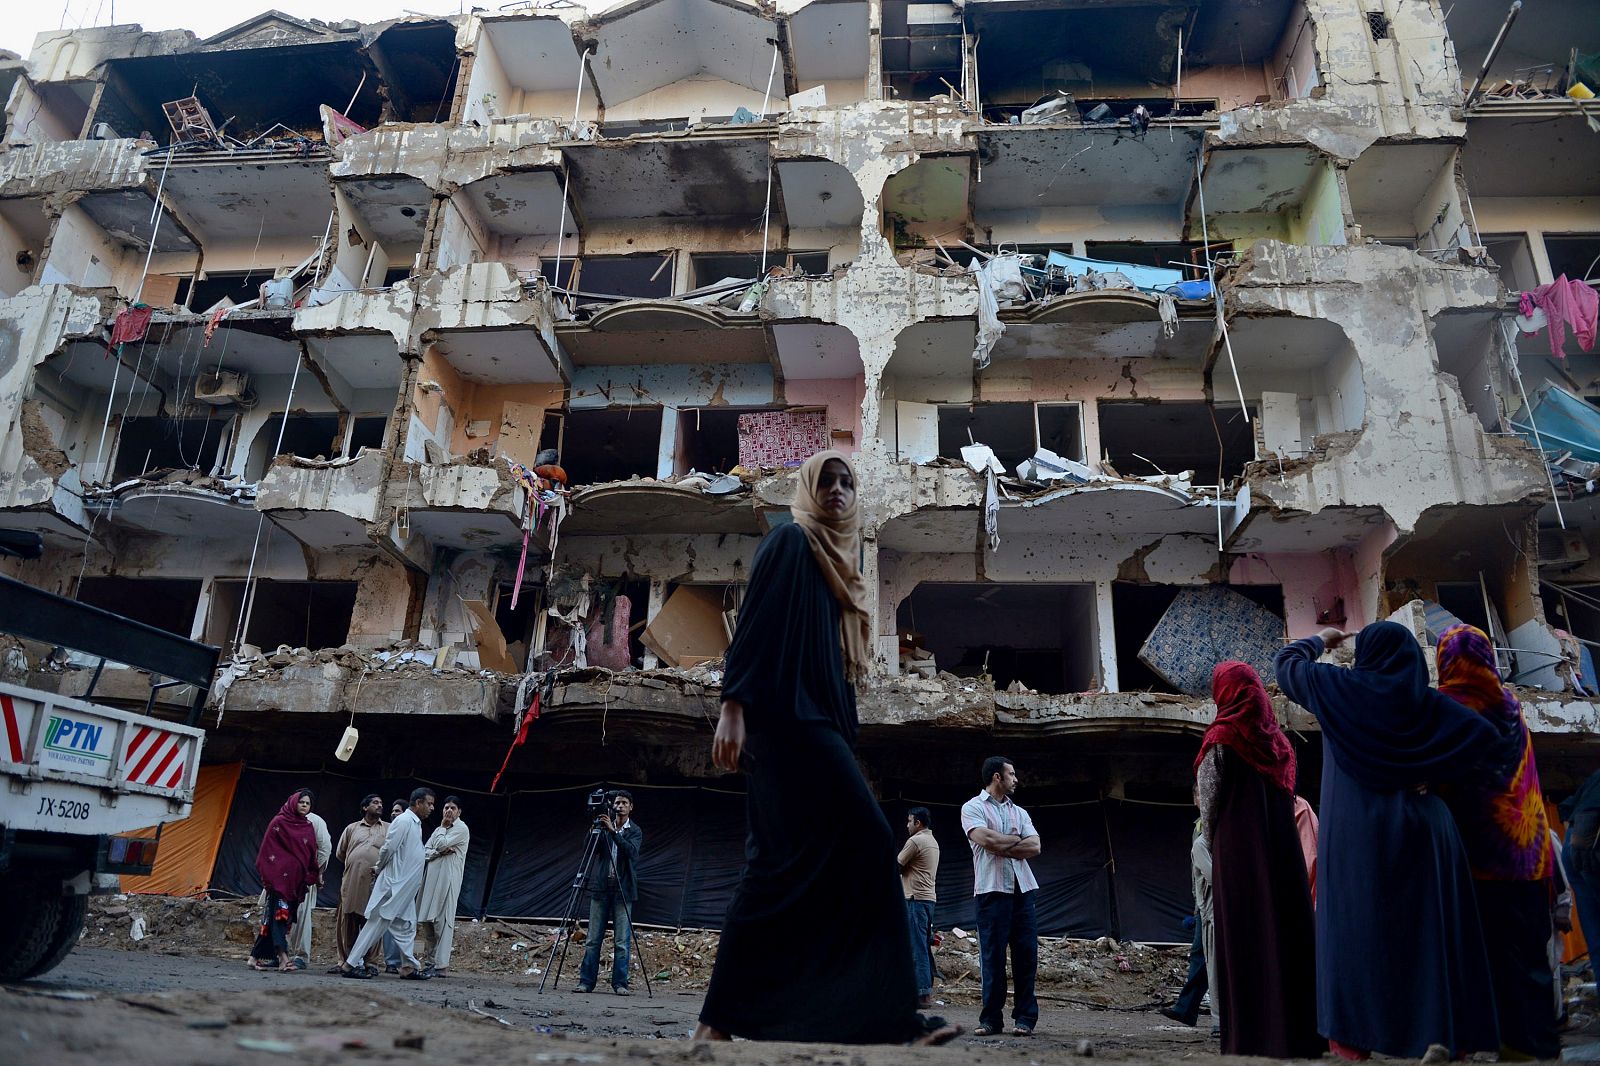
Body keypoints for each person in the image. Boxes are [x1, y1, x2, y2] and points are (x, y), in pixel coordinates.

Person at [694, 451, 955, 1045]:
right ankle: (891, 1019)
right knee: (865, 842)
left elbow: (838, 667)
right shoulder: (791, 543)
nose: (837, 490)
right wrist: (733, 707)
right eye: (826, 481)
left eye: (847, 481)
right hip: (787, 725)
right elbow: (755, 622)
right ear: (809, 489)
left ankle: (718, 1023)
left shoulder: (842, 569)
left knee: (775, 869)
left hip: (818, 728)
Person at [1275, 621, 1500, 1061]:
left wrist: (1322, 639)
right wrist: (1429, 772)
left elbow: (1286, 664)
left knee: (1358, 933)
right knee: (1426, 934)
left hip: (1358, 834)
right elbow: (1487, 740)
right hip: (1424, 827)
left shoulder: (1338, 688)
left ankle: (1355, 1041)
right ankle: (1436, 1035)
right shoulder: (1427, 704)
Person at [1434, 624, 1559, 1060]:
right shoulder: (1512, 705)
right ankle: (1539, 1045)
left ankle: (1496, 1042)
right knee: (1529, 956)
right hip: (1531, 852)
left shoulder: (1448, 705)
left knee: (1483, 956)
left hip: (1481, 856)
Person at [1195, 661, 1321, 1058]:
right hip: (1280, 852)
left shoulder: (1221, 737)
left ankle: (1251, 1038)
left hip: (1238, 852)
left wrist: (1216, 845)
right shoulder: (1280, 744)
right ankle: (1297, 1035)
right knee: (1283, 932)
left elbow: (1210, 805)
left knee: (1245, 936)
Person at [961, 756, 1042, 1037]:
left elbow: (1035, 846)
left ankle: (1025, 1019)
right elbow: (986, 841)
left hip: (1023, 891)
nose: (1016, 779)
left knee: (1026, 957)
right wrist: (1013, 842)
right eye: (1012, 773)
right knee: (992, 958)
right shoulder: (972, 807)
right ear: (997, 777)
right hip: (991, 891)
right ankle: (991, 1020)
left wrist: (1002, 844)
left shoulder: (1019, 812)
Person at [340, 787, 435, 980]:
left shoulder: (415, 824)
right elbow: (388, 848)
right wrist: (378, 867)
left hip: (405, 889)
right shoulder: (403, 821)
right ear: (418, 803)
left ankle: (408, 967)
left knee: (407, 926)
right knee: (376, 924)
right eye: (429, 803)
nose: (432, 808)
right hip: (394, 886)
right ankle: (350, 964)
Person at [250, 789, 320, 973]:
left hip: (295, 883)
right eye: (301, 802)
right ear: (293, 802)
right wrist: (275, 875)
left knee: (274, 918)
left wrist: (313, 874)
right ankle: (283, 958)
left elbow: (312, 853)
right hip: (278, 882)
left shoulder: (308, 826)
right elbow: (266, 852)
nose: (304, 805)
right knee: (280, 918)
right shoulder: (279, 822)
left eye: (308, 803)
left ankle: (253, 958)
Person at [578, 791, 640, 994]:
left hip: (623, 891)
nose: (620, 806)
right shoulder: (603, 828)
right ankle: (586, 982)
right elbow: (588, 849)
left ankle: (620, 984)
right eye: (617, 803)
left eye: (624, 803)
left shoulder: (635, 831)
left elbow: (631, 853)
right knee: (593, 939)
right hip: (601, 889)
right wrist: (595, 828)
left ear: (631, 807)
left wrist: (614, 832)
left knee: (622, 941)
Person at [1160, 817, 1213, 1030]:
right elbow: (1197, 874)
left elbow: (1210, 875)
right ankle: (1186, 1008)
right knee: (1202, 957)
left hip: (1211, 906)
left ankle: (1187, 1008)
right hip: (1204, 906)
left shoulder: (1205, 834)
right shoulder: (1200, 827)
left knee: (1203, 956)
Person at [333, 794, 388, 974]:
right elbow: (341, 854)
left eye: (381, 803)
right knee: (347, 920)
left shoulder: (388, 828)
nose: (380, 805)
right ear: (365, 807)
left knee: (372, 920)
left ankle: (371, 962)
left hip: (375, 883)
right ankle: (346, 960)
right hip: (352, 881)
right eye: (375, 802)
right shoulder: (352, 828)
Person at [416, 795, 470, 978]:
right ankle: (430, 962)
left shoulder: (461, 829)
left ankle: (441, 966)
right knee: (427, 922)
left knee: (443, 922)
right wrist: (438, 852)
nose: (448, 811)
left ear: (459, 812)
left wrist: (440, 843)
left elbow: (440, 844)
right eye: (446, 807)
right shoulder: (440, 828)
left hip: (448, 881)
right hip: (431, 880)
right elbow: (425, 850)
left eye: (452, 808)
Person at [898, 807, 940, 1008]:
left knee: (917, 948)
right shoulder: (932, 842)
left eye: (909, 821)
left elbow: (896, 865)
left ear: (918, 823)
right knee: (922, 946)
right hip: (928, 900)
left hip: (915, 900)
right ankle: (923, 990)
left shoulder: (916, 841)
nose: (907, 825)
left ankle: (922, 994)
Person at [1561, 767, 1600, 966]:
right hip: (1592, 835)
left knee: (1596, 935)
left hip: (1574, 839)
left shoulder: (1595, 776)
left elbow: (1565, 808)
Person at [382, 797, 407, 974]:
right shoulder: (384, 829)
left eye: (398, 811)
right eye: (393, 810)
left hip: (403, 882)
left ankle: (396, 961)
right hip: (385, 881)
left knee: (400, 922)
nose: (393, 813)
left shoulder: (410, 829)